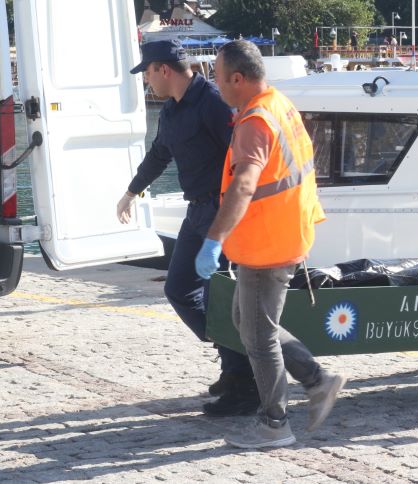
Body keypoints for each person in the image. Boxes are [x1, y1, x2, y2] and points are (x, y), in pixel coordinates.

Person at [196, 40, 346, 449]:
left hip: (268, 243)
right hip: (280, 233)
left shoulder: (255, 122)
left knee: (258, 334)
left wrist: (213, 239)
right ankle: (318, 379)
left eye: (218, 77)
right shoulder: (278, 104)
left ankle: (275, 423)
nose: (216, 85)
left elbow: (244, 184)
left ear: (238, 79)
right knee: (249, 323)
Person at [118, 39, 259, 417]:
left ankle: (243, 383)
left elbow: (243, 156)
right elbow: (160, 153)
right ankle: (233, 358)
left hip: (223, 213)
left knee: (222, 299)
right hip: (197, 214)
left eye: (147, 73)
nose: (146, 81)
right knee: (179, 289)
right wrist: (131, 191)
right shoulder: (171, 110)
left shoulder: (213, 102)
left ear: (163, 69)